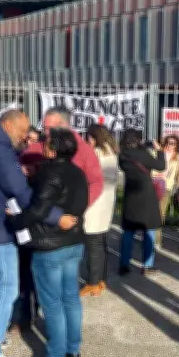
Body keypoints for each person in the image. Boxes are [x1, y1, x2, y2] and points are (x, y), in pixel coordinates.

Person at [0, 110, 75, 357]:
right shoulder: (0, 152)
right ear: (7, 125)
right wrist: (56, 217)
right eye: (21, 129)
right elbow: (22, 194)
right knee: (7, 288)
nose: (25, 135)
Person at [18, 108, 103, 328]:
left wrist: (76, 209)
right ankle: (28, 317)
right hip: (41, 224)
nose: (43, 132)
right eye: (44, 127)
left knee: (61, 290)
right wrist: (25, 168)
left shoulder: (84, 151)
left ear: (64, 126)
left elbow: (96, 182)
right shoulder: (38, 148)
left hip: (65, 227)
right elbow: (21, 168)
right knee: (32, 276)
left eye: (48, 128)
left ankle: (58, 345)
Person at [16, 128, 89, 357]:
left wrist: (16, 221)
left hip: (50, 245)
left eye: (47, 143)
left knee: (52, 302)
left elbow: (38, 208)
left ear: (53, 148)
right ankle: (73, 348)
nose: (43, 146)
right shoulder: (77, 172)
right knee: (70, 297)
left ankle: (56, 355)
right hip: (73, 241)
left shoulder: (51, 172)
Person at [117, 129, 165, 276]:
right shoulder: (143, 154)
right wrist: (160, 151)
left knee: (128, 232)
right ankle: (147, 265)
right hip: (146, 196)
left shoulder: (122, 155)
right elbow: (161, 166)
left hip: (131, 195)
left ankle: (124, 265)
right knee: (149, 230)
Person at [80, 124, 119, 297]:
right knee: (101, 243)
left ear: (94, 138)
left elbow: (87, 177)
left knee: (93, 245)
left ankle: (93, 282)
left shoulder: (96, 153)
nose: (87, 140)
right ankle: (101, 279)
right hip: (106, 202)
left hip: (95, 203)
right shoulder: (111, 153)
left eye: (88, 137)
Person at [154, 135, 179, 246]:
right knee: (151, 212)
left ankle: (157, 240)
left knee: (160, 213)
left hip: (166, 187)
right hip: (154, 184)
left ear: (176, 145)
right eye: (167, 143)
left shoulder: (178, 156)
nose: (169, 146)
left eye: (172, 143)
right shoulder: (159, 152)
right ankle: (150, 237)